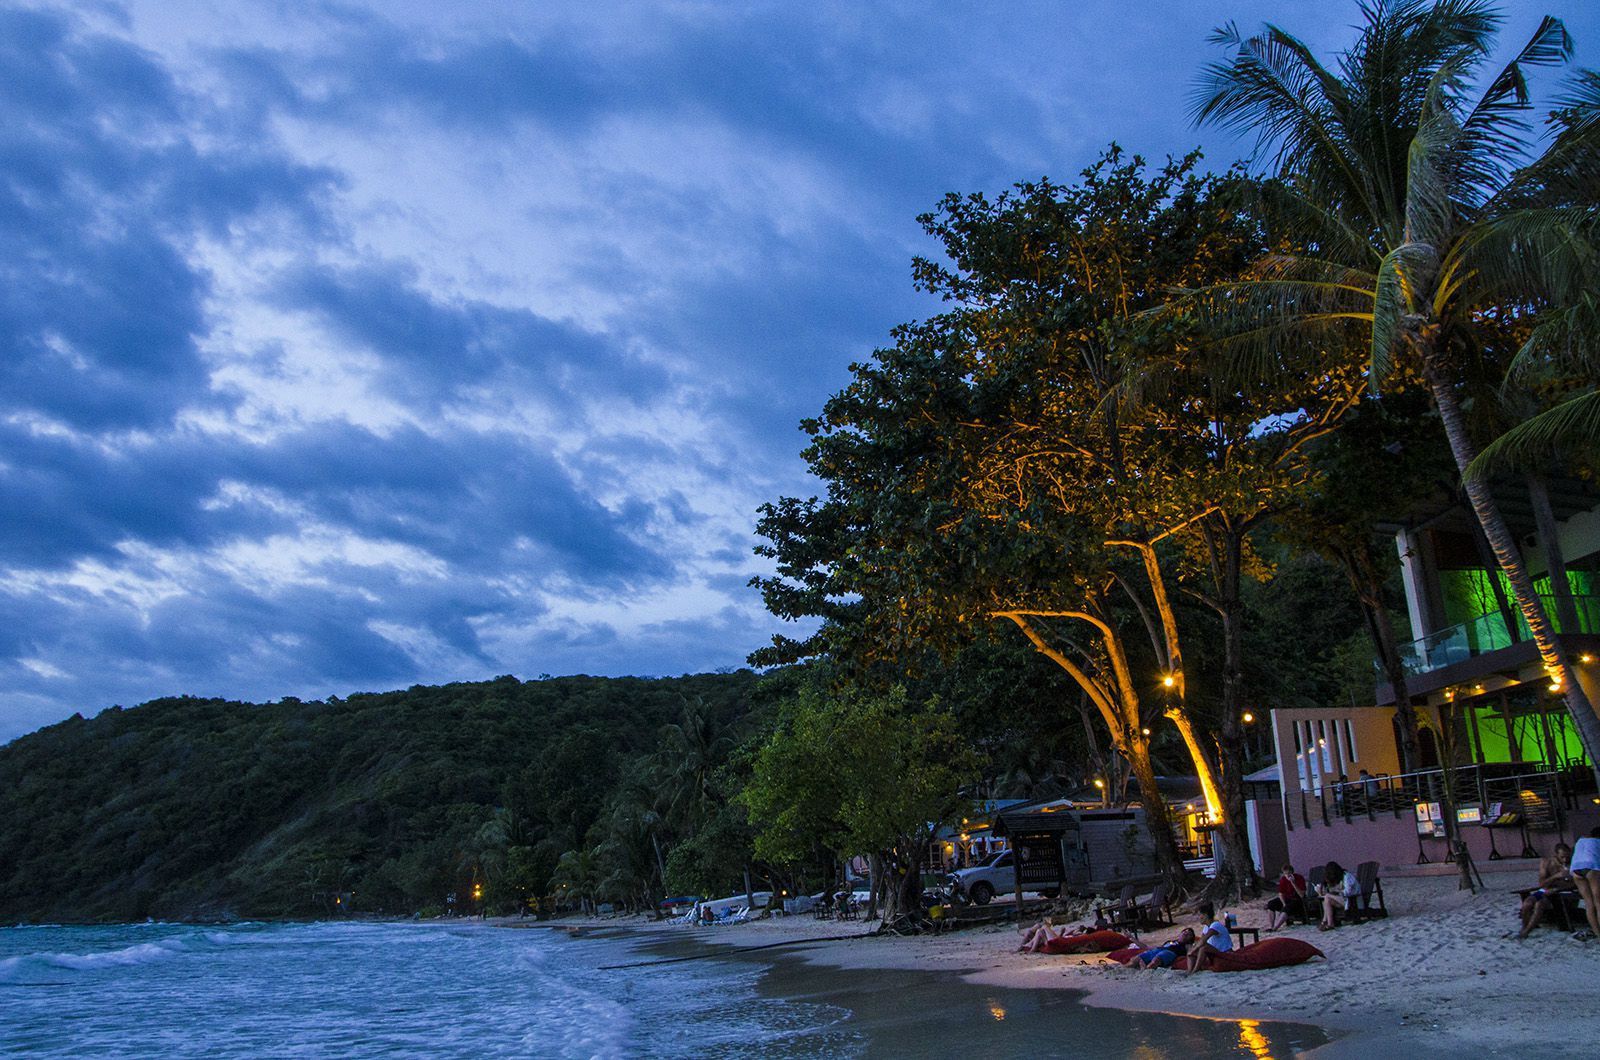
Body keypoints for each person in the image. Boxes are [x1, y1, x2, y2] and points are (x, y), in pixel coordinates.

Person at [1516, 843, 1574, 940]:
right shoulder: (1547, 863)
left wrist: (1557, 888)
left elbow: (1574, 884)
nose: (1565, 860)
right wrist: (1556, 876)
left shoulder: (1572, 864)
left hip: (1558, 892)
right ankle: (1524, 927)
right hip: (1545, 890)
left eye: (1567, 857)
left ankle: (1526, 931)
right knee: (1527, 903)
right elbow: (1541, 884)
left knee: (1539, 904)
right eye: (1562, 857)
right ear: (1556, 855)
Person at [1569, 826, 1600, 940]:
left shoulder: (1581, 841)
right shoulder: (1598, 842)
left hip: (1576, 869)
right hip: (1591, 867)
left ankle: (1598, 934)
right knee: (1599, 903)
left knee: (1589, 904)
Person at [1186, 901, 1234, 974]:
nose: (1198, 918)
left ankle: (1195, 971)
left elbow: (1203, 941)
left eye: (1199, 915)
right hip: (1213, 952)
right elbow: (1200, 940)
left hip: (1224, 952)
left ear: (1205, 916)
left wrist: (1194, 950)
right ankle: (1189, 972)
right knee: (1192, 948)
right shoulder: (1206, 927)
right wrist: (1192, 949)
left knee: (1203, 946)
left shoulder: (1215, 925)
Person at [1265, 864, 1309, 931]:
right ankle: (1271, 926)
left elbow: (1301, 895)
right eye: (1285, 874)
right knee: (1271, 904)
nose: (1287, 875)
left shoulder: (1299, 878)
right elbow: (1281, 893)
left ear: (1292, 873)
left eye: (1289, 873)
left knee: (1288, 907)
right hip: (1287, 898)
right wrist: (1283, 903)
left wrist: (1293, 883)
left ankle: (1276, 927)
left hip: (1297, 900)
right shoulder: (1283, 879)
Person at [1317, 861, 1359, 930]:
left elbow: (1348, 892)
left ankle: (1324, 921)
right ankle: (1330, 924)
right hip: (1346, 901)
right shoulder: (1341, 878)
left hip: (1353, 901)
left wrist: (1336, 891)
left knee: (1327, 896)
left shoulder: (1347, 877)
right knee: (1327, 900)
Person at [1129, 927, 1197, 969]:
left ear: (1191, 939)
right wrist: (1132, 938)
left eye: (1189, 934)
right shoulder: (1169, 942)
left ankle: (1145, 969)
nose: (1186, 933)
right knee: (1135, 960)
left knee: (1156, 960)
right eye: (1185, 932)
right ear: (1180, 934)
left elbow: (1190, 953)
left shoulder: (1187, 945)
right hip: (1158, 950)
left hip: (1170, 953)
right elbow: (1147, 947)